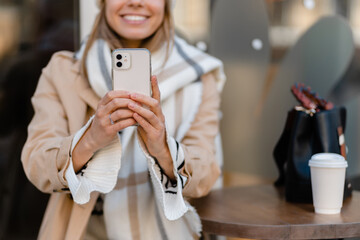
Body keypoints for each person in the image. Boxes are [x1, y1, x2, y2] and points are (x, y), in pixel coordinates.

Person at [21, 0, 226, 239]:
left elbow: (205, 173)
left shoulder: (198, 76)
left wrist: (162, 149)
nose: (136, 2)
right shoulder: (64, 71)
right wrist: (90, 139)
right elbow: (37, 164)